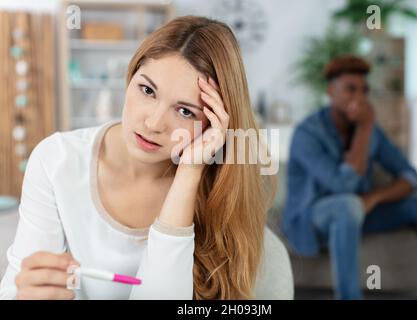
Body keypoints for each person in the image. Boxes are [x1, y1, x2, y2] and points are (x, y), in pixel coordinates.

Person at [0, 16, 293, 300]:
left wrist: (190, 172)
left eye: (185, 111)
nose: (153, 123)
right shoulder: (57, 160)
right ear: (130, 77)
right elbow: (15, 291)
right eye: (147, 90)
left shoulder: (218, 188)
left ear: (213, 125)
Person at [282, 55, 417, 300]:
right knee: (348, 204)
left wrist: (373, 198)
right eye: (351, 89)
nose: (359, 98)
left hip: (359, 210)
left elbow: (411, 176)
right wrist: (364, 129)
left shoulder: (372, 130)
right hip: (312, 218)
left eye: (364, 90)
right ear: (331, 90)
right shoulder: (307, 133)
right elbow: (344, 186)